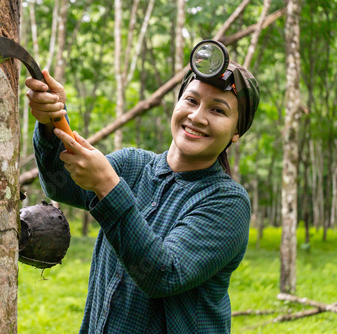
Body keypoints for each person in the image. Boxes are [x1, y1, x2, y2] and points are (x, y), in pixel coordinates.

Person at [25, 41, 260, 333]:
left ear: (237, 132)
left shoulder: (227, 202)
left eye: (218, 110)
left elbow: (163, 275)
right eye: (191, 100)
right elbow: (60, 185)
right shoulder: (132, 165)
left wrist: (108, 187)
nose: (197, 116)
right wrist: (52, 122)